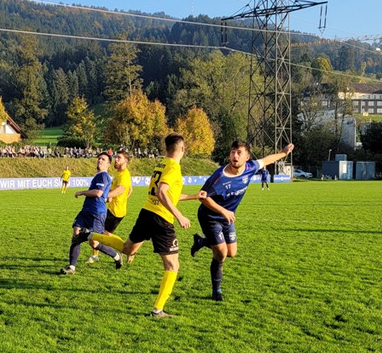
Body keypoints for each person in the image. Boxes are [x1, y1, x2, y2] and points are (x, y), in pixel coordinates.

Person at [91, 134, 206, 318]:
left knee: (128, 249)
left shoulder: (161, 164)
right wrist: (179, 215)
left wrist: (193, 196)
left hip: (147, 212)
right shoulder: (174, 167)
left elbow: (168, 193)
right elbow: (162, 192)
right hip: (161, 218)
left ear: (165, 148)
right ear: (182, 149)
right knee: (172, 265)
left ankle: (91, 236)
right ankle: (157, 310)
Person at [190, 140, 294, 301]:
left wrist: (284, 152)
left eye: (239, 152)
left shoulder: (250, 167)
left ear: (247, 156)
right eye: (232, 152)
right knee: (221, 254)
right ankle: (216, 291)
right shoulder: (219, 177)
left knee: (232, 252)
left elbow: (267, 160)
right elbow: (203, 197)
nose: (235, 156)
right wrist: (223, 211)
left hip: (227, 217)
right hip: (210, 216)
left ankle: (202, 242)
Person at [60, 153, 122, 274]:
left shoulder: (104, 176)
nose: (100, 160)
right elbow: (104, 194)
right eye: (99, 158)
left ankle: (117, 256)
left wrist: (82, 192)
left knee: (94, 243)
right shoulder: (99, 175)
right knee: (76, 234)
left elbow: (98, 193)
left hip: (96, 213)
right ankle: (72, 267)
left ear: (108, 164)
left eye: (103, 159)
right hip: (86, 210)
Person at [87, 150, 132, 264]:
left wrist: (104, 196)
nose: (116, 159)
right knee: (101, 233)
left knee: (102, 234)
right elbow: (129, 189)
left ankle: (128, 250)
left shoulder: (124, 175)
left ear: (125, 161)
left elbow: (120, 189)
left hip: (116, 211)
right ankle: (96, 254)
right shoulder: (119, 173)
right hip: (113, 208)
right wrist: (113, 197)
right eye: (116, 157)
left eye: (119, 158)